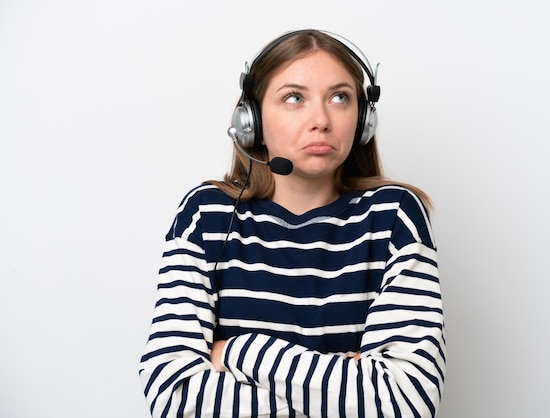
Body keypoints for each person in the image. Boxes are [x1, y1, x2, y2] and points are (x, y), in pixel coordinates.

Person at [139, 29, 446, 417]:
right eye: (294, 98)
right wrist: (342, 392)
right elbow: (173, 395)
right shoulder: (205, 215)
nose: (321, 119)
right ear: (251, 120)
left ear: (364, 119)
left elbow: (405, 402)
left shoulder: (394, 216)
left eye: (340, 97)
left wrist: (235, 351)